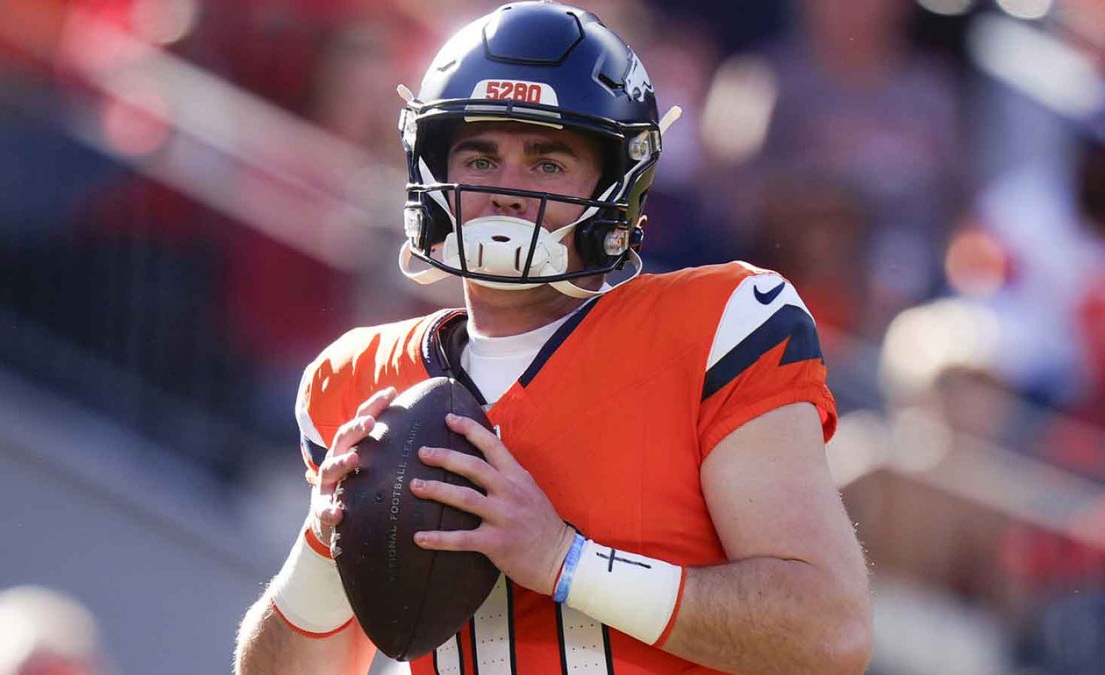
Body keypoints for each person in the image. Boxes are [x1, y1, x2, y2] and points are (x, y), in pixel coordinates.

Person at [234, 2, 871, 673]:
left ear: (616, 183)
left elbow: (828, 634)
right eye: (479, 157)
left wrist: (566, 562)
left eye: (547, 162)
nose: (507, 190)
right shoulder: (362, 380)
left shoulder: (718, 326)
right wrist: (321, 548)